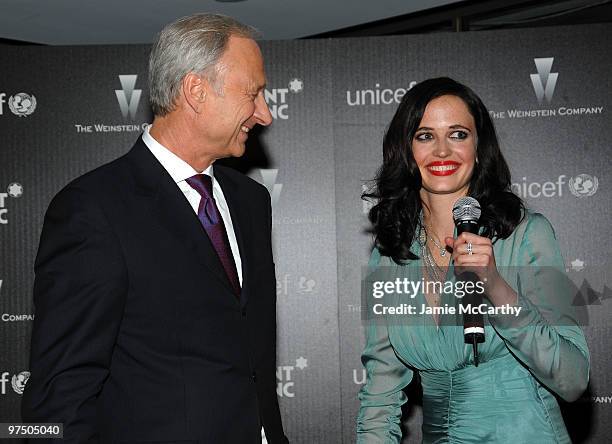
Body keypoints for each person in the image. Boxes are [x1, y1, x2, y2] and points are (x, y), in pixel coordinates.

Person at [22, 13, 289, 444]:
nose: (265, 114)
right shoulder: (94, 208)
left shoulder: (249, 201)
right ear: (196, 91)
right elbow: (61, 389)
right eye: (254, 93)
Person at [357, 77, 589, 443]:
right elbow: (380, 394)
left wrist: (496, 287)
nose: (443, 151)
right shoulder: (390, 254)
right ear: (406, 150)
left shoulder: (527, 235)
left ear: (479, 148)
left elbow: (573, 378)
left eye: (458, 134)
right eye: (425, 135)